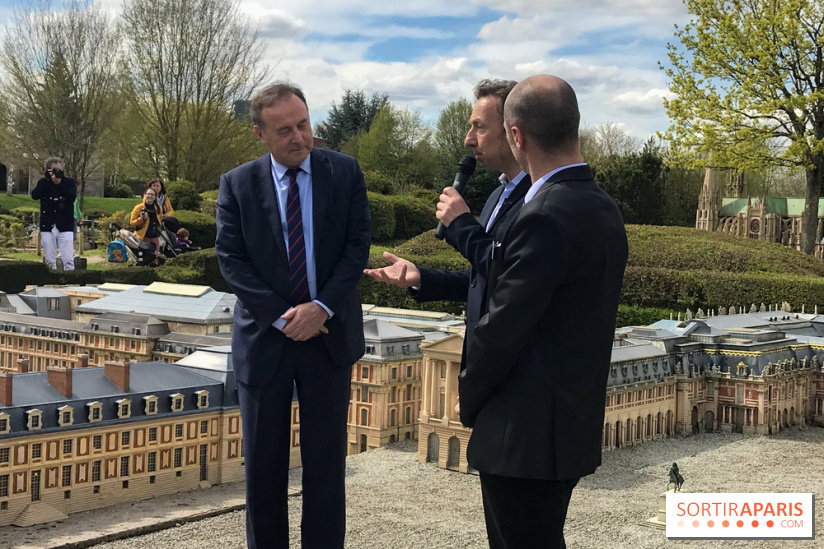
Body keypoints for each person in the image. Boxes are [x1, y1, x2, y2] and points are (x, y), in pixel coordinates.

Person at [458, 75, 628, 549]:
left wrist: (468, 398)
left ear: (517, 136)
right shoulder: (603, 207)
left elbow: (501, 329)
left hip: (523, 436)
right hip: (567, 426)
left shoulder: (542, 215)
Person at [215, 81, 371, 549]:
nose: (299, 137)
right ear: (260, 134)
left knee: (327, 469)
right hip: (266, 340)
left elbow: (357, 246)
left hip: (329, 337)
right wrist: (284, 316)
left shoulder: (344, 172)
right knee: (263, 473)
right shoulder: (237, 184)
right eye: (284, 130)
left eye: (303, 124)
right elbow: (231, 260)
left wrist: (320, 308)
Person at [363, 79, 530, 377]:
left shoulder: (538, 200)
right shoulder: (498, 195)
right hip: (483, 371)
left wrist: (461, 224)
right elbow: (483, 278)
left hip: (516, 374)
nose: (468, 139)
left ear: (511, 131)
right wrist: (421, 277)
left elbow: (511, 277)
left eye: (479, 127)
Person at [31, 157, 77, 270]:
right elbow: (35, 195)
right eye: (55, 170)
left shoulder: (69, 182)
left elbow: (72, 197)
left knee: (68, 259)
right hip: (48, 224)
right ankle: (51, 278)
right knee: (50, 260)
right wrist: (47, 181)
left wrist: (59, 184)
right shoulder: (44, 182)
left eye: (60, 170)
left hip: (65, 224)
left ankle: (70, 277)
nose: (57, 173)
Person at [129, 188, 165, 261]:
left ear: (155, 197)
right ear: (145, 195)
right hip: (143, 236)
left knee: (155, 258)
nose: (150, 196)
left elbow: (160, 220)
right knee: (141, 258)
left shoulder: (158, 208)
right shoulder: (138, 207)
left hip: (155, 236)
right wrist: (141, 219)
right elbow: (132, 222)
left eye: (152, 194)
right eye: (148, 194)